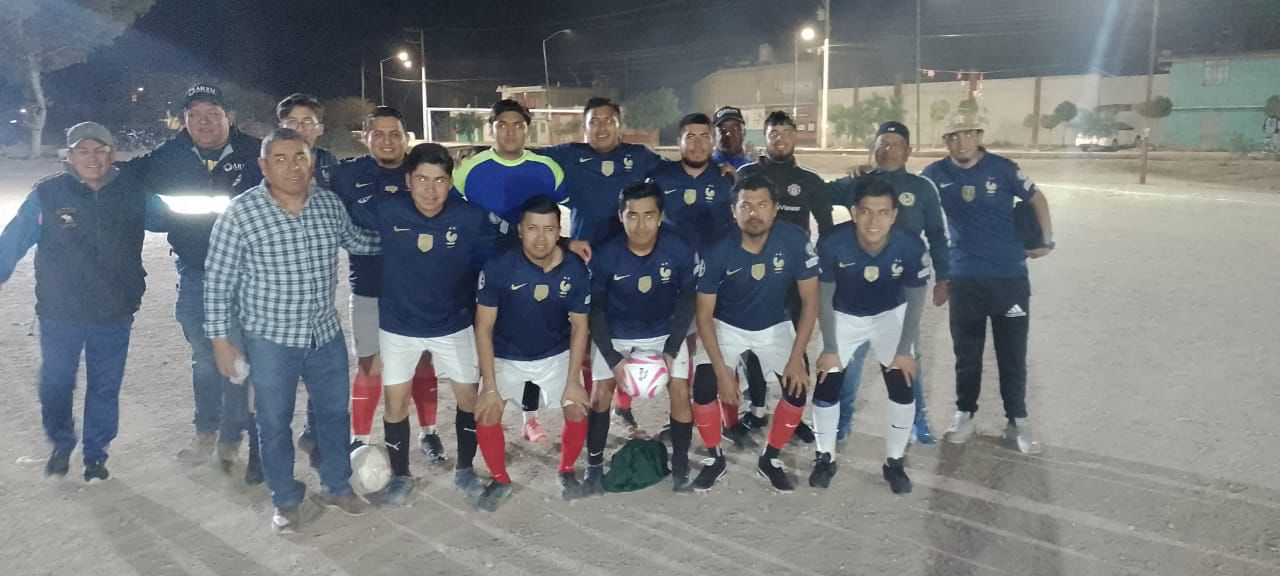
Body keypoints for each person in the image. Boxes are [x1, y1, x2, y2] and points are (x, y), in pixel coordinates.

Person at [204, 128, 378, 534]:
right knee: (273, 421)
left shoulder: (328, 206)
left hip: (324, 335)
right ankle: (284, 499)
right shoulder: (240, 214)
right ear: (264, 166)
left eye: (300, 157)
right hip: (270, 340)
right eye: (280, 159)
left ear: (312, 162)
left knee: (334, 414)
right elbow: (217, 283)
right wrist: (221, 341)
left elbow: (359, 242)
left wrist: (409, 234)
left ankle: (337, 486)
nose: (292, 167)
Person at [0, 123, 163, 482]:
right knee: (56, 384)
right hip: (60, 312)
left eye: (100, 150)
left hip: (114, 311)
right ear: (70, 156)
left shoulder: (133, 192)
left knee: (105, 387)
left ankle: (95, 455)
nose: (93, 158)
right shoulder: (47, 195)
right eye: (83, 150)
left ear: (112, 154)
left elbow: (172, 222)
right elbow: (13, 239)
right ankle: (62, 442)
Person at [346, 142, 502, 506]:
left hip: (454, 324)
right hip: (398, 326)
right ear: (408, 181)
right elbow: (342, 207)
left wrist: (564, 243)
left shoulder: (471, 217)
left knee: (469, 399)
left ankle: (465, 469)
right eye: (422, 179)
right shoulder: (386, 209)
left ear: (450, 182)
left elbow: (504, 250)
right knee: (395, 403)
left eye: (439, 180)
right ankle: (401, 476)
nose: (430, 190)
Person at [129, 83, 261, 478]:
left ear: (229, 117)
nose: (203, 122)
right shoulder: (168, 156)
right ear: (184, 120)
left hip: (249, 275)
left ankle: (236, 437)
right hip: (196, 273)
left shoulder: (256, 153)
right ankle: (207, 431)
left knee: (243, 356)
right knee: (204, 356)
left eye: (212, 114)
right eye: (194, 115)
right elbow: (116, 176)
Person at [921, 115, 1055, 455]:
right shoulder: (935, 174)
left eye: (968, 134)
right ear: (946, 141)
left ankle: (1017, 420)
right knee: (967, 354)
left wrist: (1045, 240)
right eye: (954, 136)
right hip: (964, 277)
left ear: (979, 135)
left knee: (1013, 354)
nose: (961, 141)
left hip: (1009, 277)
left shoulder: (1003, 169)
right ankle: (964, 414)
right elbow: (910, 199)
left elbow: (1037, 199)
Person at [690, 173, 820, 493]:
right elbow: (704, 315)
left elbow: (811, 300)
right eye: (745, 205)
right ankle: (714, 458)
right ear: (733, 211)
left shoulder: (794, 240)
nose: (754, 213)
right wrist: (723, 373)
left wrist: (796, 359)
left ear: (775, 209)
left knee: (797, 388)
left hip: (775, 324)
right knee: (703, 387)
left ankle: (770, 459)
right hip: (727, 325)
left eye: (762, 205)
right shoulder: (717, 249)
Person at [330, 106, 446, 461]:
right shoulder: (345, 174)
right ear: (365, 137)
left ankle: (429, 433)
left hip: (418, 290)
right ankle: (360, 438)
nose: (387, 141)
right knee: (369, 364)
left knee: (423, 363)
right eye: (378, 134)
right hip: (368, 287)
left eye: (394, 134)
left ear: (405, 137)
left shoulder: (423, 170)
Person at [826, 121, 949, 445]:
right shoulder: (860, 183)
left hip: (900, 292)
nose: (888, 149)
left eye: (895, 144)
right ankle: (843, 417)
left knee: (906, 355)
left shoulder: (921, 188)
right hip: (855, 288)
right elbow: (818, 194)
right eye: (882, 143)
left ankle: (917, 420)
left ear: (908, 151)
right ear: (874, 149)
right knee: (850, 359)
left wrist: (944, 277)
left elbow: (937, 235)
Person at [453, 99, 565, 443]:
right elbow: (449, 207)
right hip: (480, 274)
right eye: (502, 125)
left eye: (518, 125)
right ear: (492, 128)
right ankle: (487, 411)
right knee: (485, 344)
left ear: (527, 129)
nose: (510, 131)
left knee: (528, 344)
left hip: (532, 275)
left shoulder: (547, 168)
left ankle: (530, 418)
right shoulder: (470, 169)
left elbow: (567, 210)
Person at [473, 195, 592, 509]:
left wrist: (573, 381)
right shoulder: (499, 267)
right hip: (506, 354)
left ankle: (566, 471)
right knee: (486, 412)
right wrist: (489, 386)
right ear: (520, 230)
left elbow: (580, 326)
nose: (541, 238)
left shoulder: (575, 269)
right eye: (533, 229)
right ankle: (500, 479)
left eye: (549, 229)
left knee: (577, 407)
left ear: (559, 232)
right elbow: (483, 327)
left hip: (555, 352)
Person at [813, 176, 930, 494]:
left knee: (902, 384)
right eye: (865, 212)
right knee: (827, 382)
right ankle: (824, 456)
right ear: (853, 212)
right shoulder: (832, 243)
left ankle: (894, 462)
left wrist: (904, 350)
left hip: (889, 315)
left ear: (894, 215)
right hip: (844, 315)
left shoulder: (909, 245)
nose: (873, 221)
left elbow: (916, 299)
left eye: (882, 212)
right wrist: (831, 347)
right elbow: (824, 297)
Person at [584, 181, 699, 493]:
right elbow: (595, 309)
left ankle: (680, 467)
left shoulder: (679, 249)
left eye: (649, 215)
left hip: (663, 333)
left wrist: (672, 349)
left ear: (660, 216)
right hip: (618, 334)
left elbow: (688, 300)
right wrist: (612, 358)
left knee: (680, 391)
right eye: (632, 215)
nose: (640, 224)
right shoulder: (605, 255)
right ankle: (593, 467)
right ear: (620, 216)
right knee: (600, 395)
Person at [735, 110, 832, 442]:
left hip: (792, 278)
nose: (780, 138)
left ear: (795, 137)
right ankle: (756, 407)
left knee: (795, 342)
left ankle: (794, 412)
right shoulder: (747, 173)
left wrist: (816, 265)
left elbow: (827, 228)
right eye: (774, 133)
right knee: (752, 342)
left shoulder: (809, 180)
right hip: (752, 273)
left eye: (786, 132)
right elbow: (732, 213)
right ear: (765, 137)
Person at [648, 113, 736, 250]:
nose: (698, 145)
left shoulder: (727, 179)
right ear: (679, 142)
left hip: (716, 259)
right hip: (671, 257)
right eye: (690, 137)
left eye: (704, 137)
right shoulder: (661, 178)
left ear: (713, 142)